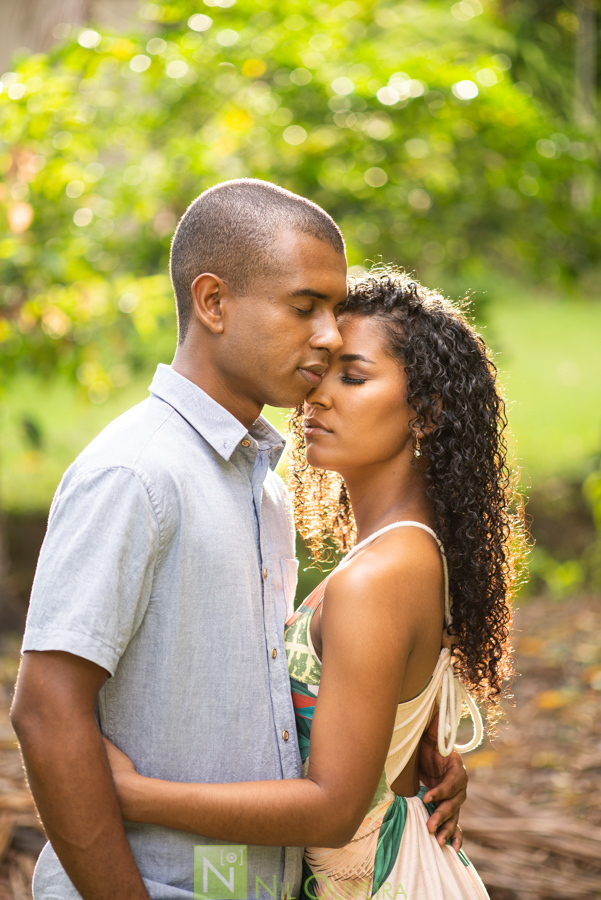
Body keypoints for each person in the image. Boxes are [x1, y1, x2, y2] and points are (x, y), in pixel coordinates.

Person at [10, 183, 468, 900]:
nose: (328, 334)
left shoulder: (264, 491)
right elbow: (45, 712)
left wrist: (399, 761)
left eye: (333, 310)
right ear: (214, 303)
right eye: (304, 307)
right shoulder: (137, 474)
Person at [103, 269, 527, 899]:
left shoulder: (378, 577)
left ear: (427, 412)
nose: (317, 397)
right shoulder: (407, 553)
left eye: (353, 378)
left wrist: (131, 794)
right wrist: (414, 758)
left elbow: (333, 812)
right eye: (320, 371)